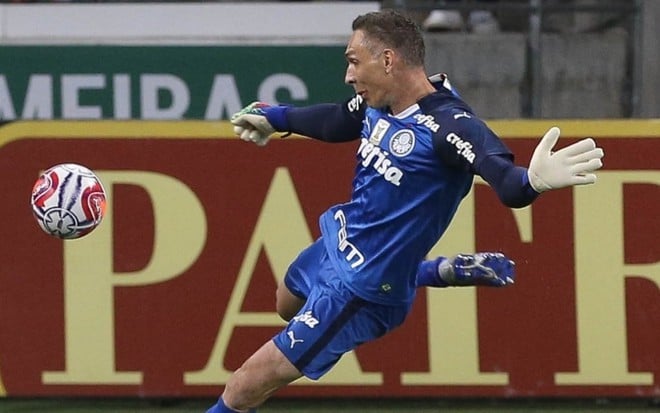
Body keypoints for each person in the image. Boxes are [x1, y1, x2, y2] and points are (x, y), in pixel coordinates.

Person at [208, 9, 604, 413]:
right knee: (284, 304)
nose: (349, 76)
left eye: (353, 61)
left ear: (387, 60)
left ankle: (419, 276)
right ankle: (438, 271)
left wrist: (532, 182)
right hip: (336, 243)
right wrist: (274, 117)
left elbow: (505, 181)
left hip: (361, 288)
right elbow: (336, 121)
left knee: (243, 385)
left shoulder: (450, 125)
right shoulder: (379, 102)